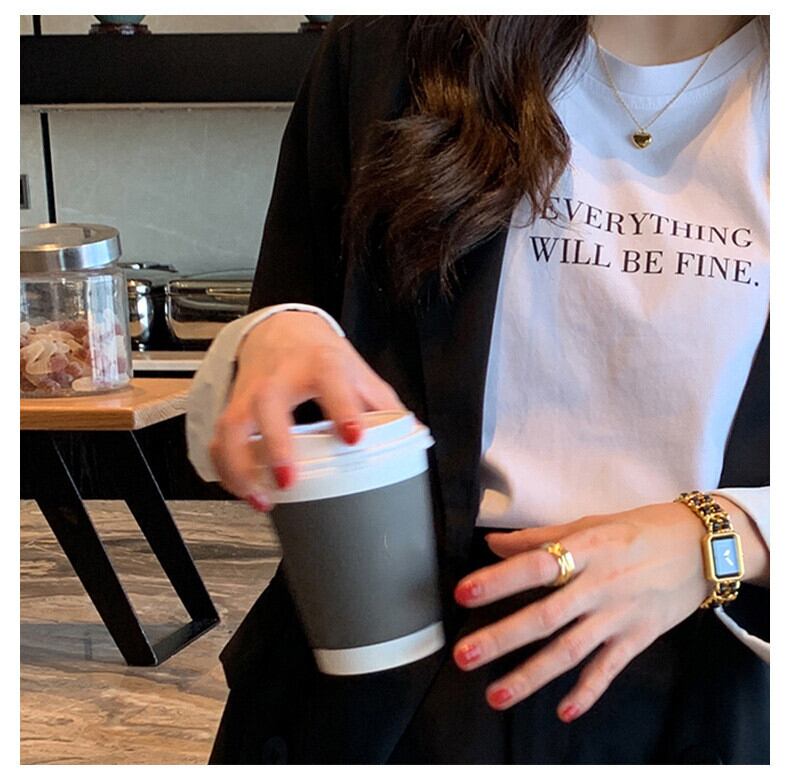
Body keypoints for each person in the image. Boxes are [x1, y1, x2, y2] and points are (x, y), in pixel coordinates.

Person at [186, 15, 769, 764]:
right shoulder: (395, 49)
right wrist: (273, 338)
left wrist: (727, 535)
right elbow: (287, 317)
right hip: (391, 671)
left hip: (713, 679)